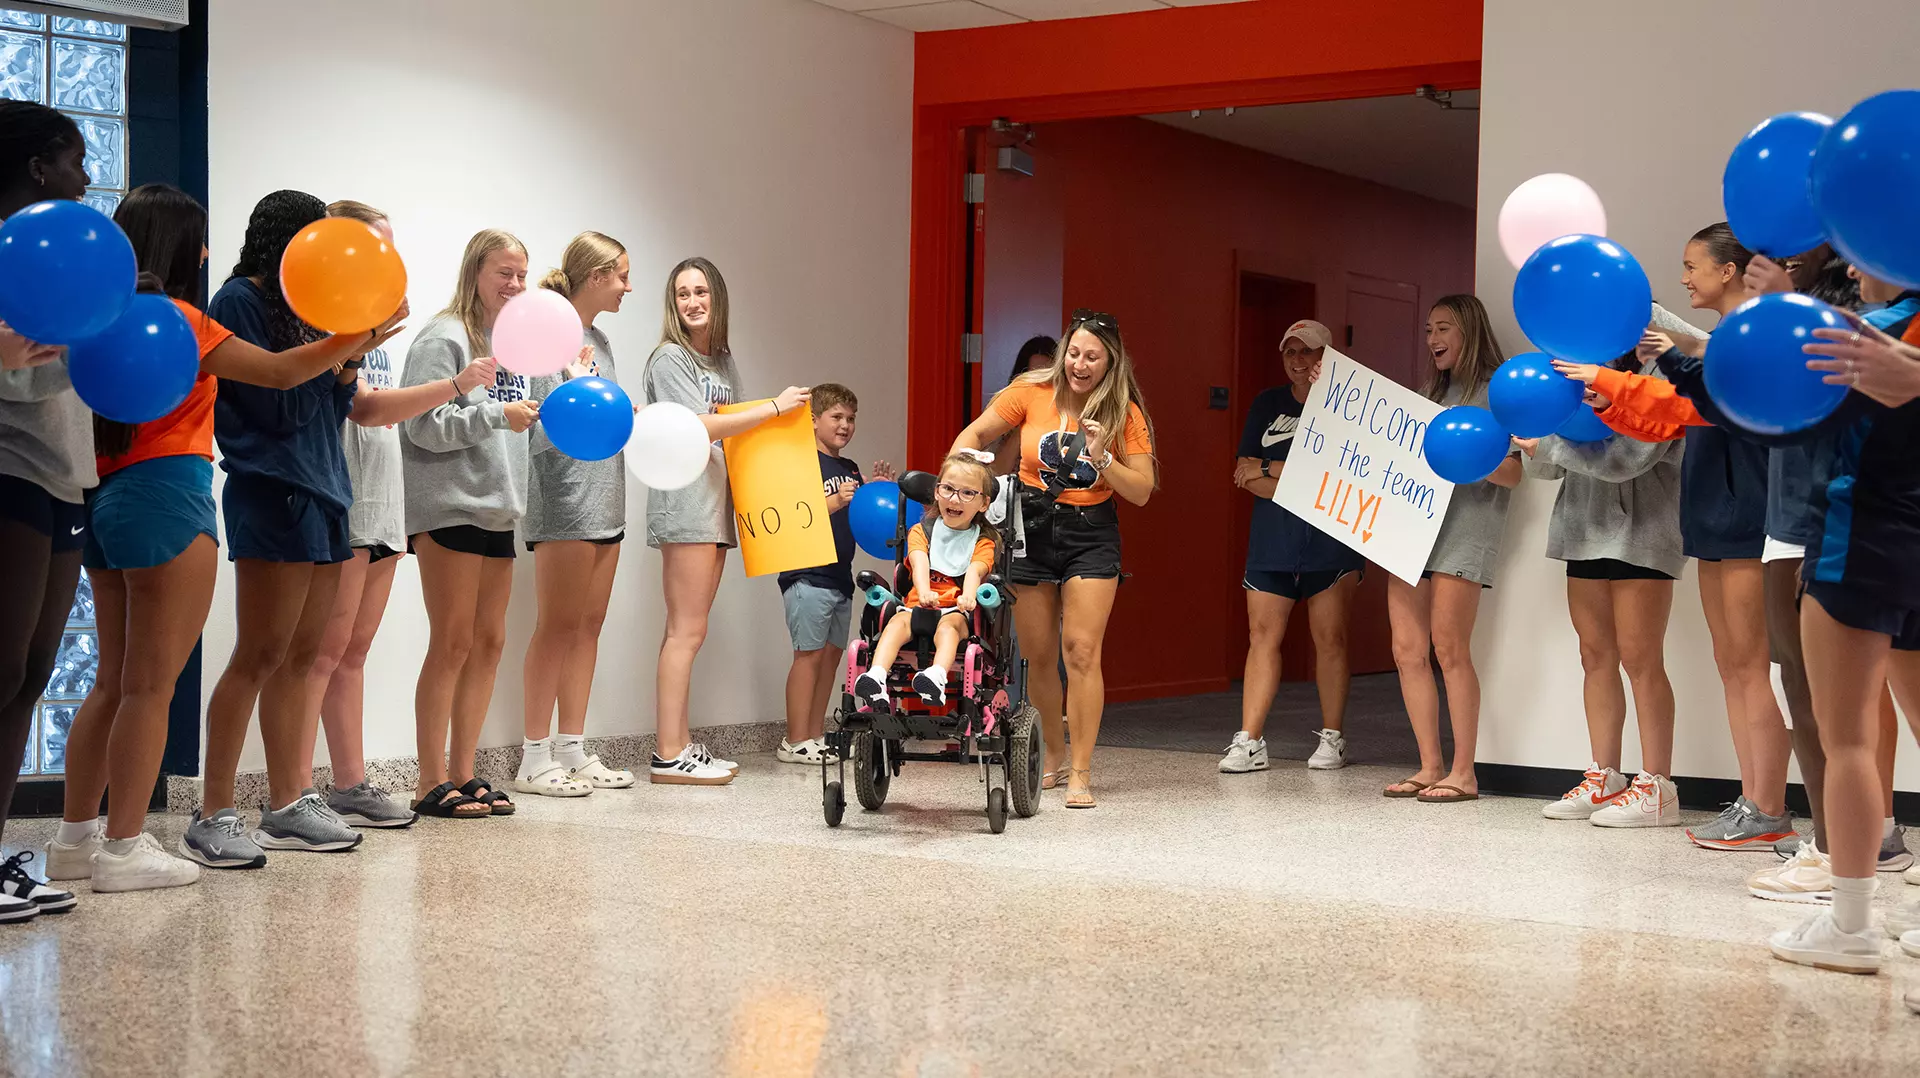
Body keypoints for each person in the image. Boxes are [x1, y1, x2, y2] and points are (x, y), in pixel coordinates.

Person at [47, 183, 401, 890]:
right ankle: (124, 849)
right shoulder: (184, 318)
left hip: (108, 499)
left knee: (112, 682)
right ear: (182, 246)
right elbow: (275, 374)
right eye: (200, 238)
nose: (209, 250)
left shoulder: (98, 320)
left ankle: (74, 840)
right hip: (169, 495)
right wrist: (354, 337)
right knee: (151, 685)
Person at [188, 190, 379, 865]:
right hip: (274, 492)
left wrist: (351, 352)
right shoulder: (240, 299)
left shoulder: (310, 312)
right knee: (258, 656)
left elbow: (334, 403)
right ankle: (213, 812)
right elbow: (275, 407)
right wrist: (344, 345)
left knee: (303, 660)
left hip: (325, 491)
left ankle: (288, 801)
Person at [300, 200, 498, 829]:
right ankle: (296, 790)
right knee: (323, 652)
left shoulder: (376, 326)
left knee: (353, 652)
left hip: (386, 501)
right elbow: (366, 409)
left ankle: (350, 783)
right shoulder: (325, 320)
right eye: (373, 245)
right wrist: (458, 385)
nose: (386, 258)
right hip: (341, 493)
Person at [950, 309, 1157, 809]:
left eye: (1092, 357)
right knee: (1038, 655)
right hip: (1030, 529)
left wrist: (1104, 456)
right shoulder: (1030, 392)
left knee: (1080, 652)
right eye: (1074, 352)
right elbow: (974, 436)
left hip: (1091, 533)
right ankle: (1054, 757)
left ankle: (1082, 771)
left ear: (1110, 363)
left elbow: (1143, 490)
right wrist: (965, 483)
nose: (1079, 365)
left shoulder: (1123, 411)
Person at [643, 257, 807, 785]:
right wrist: (774, 410)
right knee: (683, 632)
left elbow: (735, 436)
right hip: (686, 506)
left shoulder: (722, 361)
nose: (692, 302)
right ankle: (669, 753)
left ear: (718, 298)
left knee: (693, 630)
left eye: (701, 292)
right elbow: (698, 425)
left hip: (715, 509)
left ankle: (680, 745)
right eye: (683, 293)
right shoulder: (669, 358)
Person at [400, 229, 540, 819]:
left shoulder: (516, 345)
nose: (513, 285)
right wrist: (493, 417)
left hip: (497, 507)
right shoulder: (442, 337)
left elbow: (515, 423)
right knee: (452, 641)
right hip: (451, 505)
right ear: (475, 273)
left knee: (489, 642)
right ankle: (429, 779)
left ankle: (463, 771)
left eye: (521, 275)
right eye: (503, 273)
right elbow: (420, 424)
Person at [1516, 348, 1685, 827]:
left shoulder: (1658, 377)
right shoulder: (1570, 371)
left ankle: (1658, 786)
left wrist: (1547, 447)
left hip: (1644, 532)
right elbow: (1547, 467)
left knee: (1641, 659)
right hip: (1581, 529)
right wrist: (1532, 436)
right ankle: (1604, 777)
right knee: (1594, 655)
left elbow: (1626, 461)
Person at [0, 100, 94, 920]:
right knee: (1, 669)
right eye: (74, 159)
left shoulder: (69, 261)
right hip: (10, 468)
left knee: (31, 673)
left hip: (68, 472)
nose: (86, 176)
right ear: (38, 167)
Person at [1381, 296, 1521, 804]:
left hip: (1465, 530)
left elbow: (1512, 474)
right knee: (1406, 650)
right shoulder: (1427, 395)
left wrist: (1468, 458)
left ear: (1469, 332)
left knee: (1449, 649)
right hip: (1409, 532)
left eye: (1443, 328)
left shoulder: (1497, 394)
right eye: (1427, 329)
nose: (1432, 338)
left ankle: (1464, 772)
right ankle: (1428, 765)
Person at [515, 231, 634, 798]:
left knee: (588, 626)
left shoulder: (602, 342)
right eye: (621, 276)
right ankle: (534, 757)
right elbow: (540, 426)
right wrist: (576, 382)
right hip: (563, 498)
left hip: (608, 497)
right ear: (596, 276)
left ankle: (572, 749)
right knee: (556, 626)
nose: (628, 287)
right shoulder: (544, 336)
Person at [1220, 319, 1363, 774]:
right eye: (1291, 352)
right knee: (1262, 638)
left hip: (1330, 540)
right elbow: (1245, 471)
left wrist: (1273, 470)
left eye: (1310, 352)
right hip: (1273, 540)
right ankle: (1251, 740)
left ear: (1329, 357)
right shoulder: (1268, 404)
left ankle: (1333, 738)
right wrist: (1300, 475)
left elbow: (1341, 472)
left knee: (1330, 638)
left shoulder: (1348, 407)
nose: (1299, 361)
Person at [776, 382, 894, 764]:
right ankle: (793, 740)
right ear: (813, 421)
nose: (845, 425)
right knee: (807, 656)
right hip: (807, 573)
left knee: (829, 659)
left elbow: (861, 518)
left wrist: (872, 493)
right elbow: (792, 515)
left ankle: (813, 735)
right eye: (837, 417)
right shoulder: (798, 460)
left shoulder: (849, 468)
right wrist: (834, 500)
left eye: (851, 419)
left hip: (840, 575)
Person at [854, 453, 998, 709]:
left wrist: (967, 595)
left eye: (967, 493)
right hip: (917, 605)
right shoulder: (921, 531)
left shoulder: (982, 542)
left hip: (955, 609)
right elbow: (919, 563)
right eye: (948, 489)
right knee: (897, 622)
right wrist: (923, 591)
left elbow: (975, 571)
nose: (955, 498)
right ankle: (876, 676)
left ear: (984, 503)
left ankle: (936, 676)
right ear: (937, 492)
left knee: (949, 628)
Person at [989, 336, 1057, 477]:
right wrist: (1022, 425)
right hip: (1013, 493)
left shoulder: (1068, 414)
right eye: (1034, 376)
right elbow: (996, 474)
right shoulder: (1005, 409)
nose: (1041, 383)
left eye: (1047, 376)